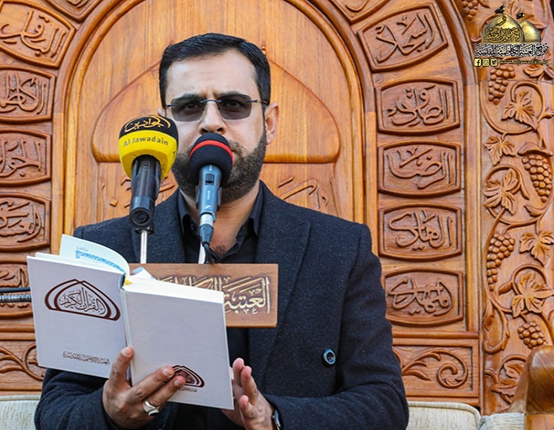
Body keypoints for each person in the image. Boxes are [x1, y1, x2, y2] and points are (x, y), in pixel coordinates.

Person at [34, 33, 408, 429]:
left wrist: (274, 418)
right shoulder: (105, 248)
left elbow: (383, 405)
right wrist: (110, 414)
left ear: (269, 122)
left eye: (233, 105)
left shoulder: (339, 250)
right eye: (189, 107)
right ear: (167, 126)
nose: (211, 122)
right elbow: (56, 412)